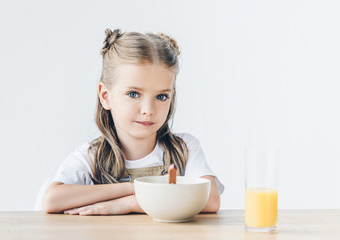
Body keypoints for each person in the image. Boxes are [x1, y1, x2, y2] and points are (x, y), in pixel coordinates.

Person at [43, 29, 224, 215]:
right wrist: (133, 188)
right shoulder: (92, 157)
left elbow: (211, 200)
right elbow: (52, 199)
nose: (148, 110)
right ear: (106, 96)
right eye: (133, 94)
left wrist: (128, 204)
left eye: (161, 96)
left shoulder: (184, 149)